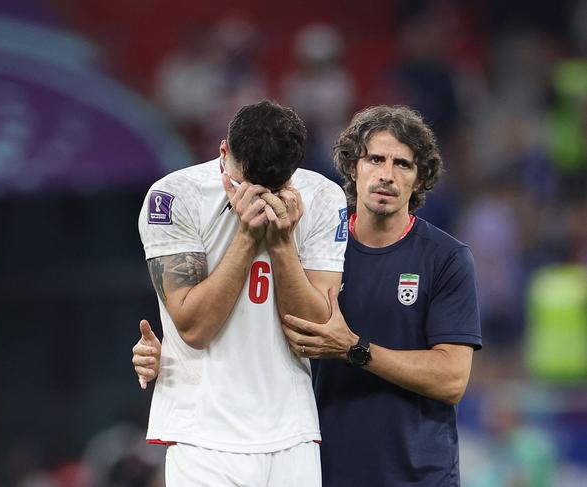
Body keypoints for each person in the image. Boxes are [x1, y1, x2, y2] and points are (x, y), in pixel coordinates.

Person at [133, 100, 347, 486]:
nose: (261, 198)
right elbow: (195, 328)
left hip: (291, 432)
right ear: (223, 151)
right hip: (202, 433)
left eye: (275, 187)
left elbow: (316, 333)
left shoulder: (323, 198)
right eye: (247, 183)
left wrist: (281, 244)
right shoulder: (173, 197)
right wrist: (248, 239)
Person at [281, 105, 482, 486]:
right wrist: (171, 358)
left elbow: (452, 379)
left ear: (419, 179)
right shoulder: (312, 250)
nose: (386, 175)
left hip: (418, 477)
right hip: (323, 471)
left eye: (403, 164)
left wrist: (354, 348)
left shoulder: (447, 259)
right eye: (375, 159)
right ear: (353, 167)